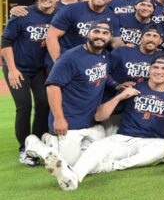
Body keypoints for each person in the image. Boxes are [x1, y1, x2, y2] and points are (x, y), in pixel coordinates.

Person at [43, 54, 164, 191]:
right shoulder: (134, 89)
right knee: (98, 147)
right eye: (155, 67)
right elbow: (99, 116)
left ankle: (109, 166)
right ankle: (73, 178)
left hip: (152, 142)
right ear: (149, 70)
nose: (159, 71)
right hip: (123, 139)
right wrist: (119, 97)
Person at [24, 21, 112, 166]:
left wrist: (118, 85)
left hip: (91, 123)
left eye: (105, 33)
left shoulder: (104, 56)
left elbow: (103, 76)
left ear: (110, 37)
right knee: (69, 164)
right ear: (87, 33)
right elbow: (53, 87)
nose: (100, 36)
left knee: (98, 158)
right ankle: (34, 145)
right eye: (96, 32)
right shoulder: (69, 58)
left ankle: (51, 141)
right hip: (69, 122)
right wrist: (59, 119)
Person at [2, 0, 60, 165]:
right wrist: (11, 69)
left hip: (40, 69)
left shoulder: (59, 16)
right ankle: (24, 148)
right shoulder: (23, 14)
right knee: (24, 106)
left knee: (44, 104)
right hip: (18, 68)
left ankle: (37, 143)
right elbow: (5, 41)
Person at [103, 25, 164, 135]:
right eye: (148, 35)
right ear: (141, 37)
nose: (151, 39)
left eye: (155, 36)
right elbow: (103, 72)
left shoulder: (163, 58)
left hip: (140, 109)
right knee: (109, 140)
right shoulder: (122, 52)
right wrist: (116, 85)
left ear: (160, 41)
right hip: (116, 105)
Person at [46, 0, 116, 63]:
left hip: (90, 64)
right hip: (67, 61)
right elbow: (51, 36)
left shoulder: (112, 16)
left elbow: (115, 41)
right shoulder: (71, 10)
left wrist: (129, 48)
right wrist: (58, 62)